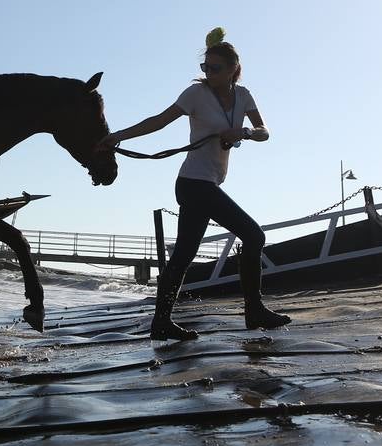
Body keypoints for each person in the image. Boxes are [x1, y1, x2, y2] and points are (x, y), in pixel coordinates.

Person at [100, 27, 289, 340]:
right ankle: (253, 311)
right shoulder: (196, 94)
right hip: (193, 184)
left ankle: (161, 323)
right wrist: (116, 137)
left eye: (215, 68)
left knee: (183, 257)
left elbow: (264, 130)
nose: (209, 73)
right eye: (206, 67)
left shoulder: (243, 96)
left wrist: (242, 133)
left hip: (206, 184)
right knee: (254, 236)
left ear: (233, 70)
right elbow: (157, 121)